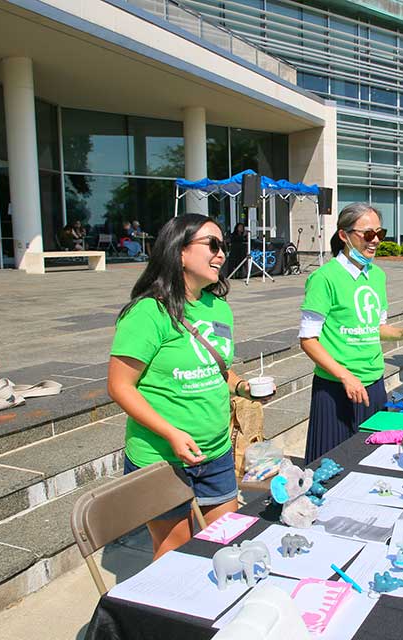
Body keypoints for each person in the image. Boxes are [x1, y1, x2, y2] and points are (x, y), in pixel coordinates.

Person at [108, 213, 254, 559]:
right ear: (180, 252)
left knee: (227, 542)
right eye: (212, 245)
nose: (221, 254)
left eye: (224, 246)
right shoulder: (148, 313)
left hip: (215, 452)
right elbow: (120, 386)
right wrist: (171, 433)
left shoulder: (219, 308)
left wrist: (243, 388)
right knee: (176, 551)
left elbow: (217, 369)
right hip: (162, 459)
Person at [299, 202, 403, 463]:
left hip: (373, 383)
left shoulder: (376, 276)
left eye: (380, 233)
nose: (376, 240)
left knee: (371, 460)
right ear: (344, 235)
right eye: (368, 234)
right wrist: (345, 376)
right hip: (336, 388)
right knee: (330, 466)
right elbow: (308, 340)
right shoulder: (325, 278)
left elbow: (376, 327)